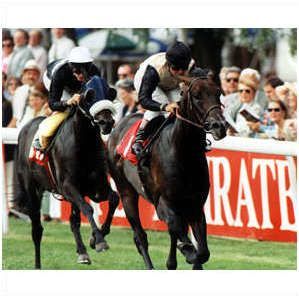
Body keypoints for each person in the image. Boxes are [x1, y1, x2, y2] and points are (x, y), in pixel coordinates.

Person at [34, 46, 115, 150]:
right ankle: (39, 136)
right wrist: (68, 102)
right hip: (52, 79)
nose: (81, 75)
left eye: (84, 71)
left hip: (76, 86)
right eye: (77, 71)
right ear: (71, 67)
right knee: (68, 110)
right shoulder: (61, 73)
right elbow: (53, 104)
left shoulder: (94, 71)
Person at [131, 41, 194, 155]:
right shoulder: (153, 70)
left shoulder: (191, 66)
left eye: (183, 68)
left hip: (170, 83)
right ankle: (139, 139)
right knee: (163, 106)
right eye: (176, 68)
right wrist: (165, 106)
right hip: (146, 82)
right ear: (168, 64)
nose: (180, 72)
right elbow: (144, 100)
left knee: (182, 106)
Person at [224, 69, 263, 137]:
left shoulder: (257, 108)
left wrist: (235, 133)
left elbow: (249, 132)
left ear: (254, 93)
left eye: (247, 91)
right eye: (241, 91)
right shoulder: (240, 106)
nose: (243, 93)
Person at [8, 60, 41, 128]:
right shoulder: (19, 91)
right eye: (29, 73)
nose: (31, 76)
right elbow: (16, 117)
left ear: (38, 75)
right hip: (18, 127)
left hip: (34, 128)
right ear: (24, 75)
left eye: (34, 74)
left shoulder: (42, 92)